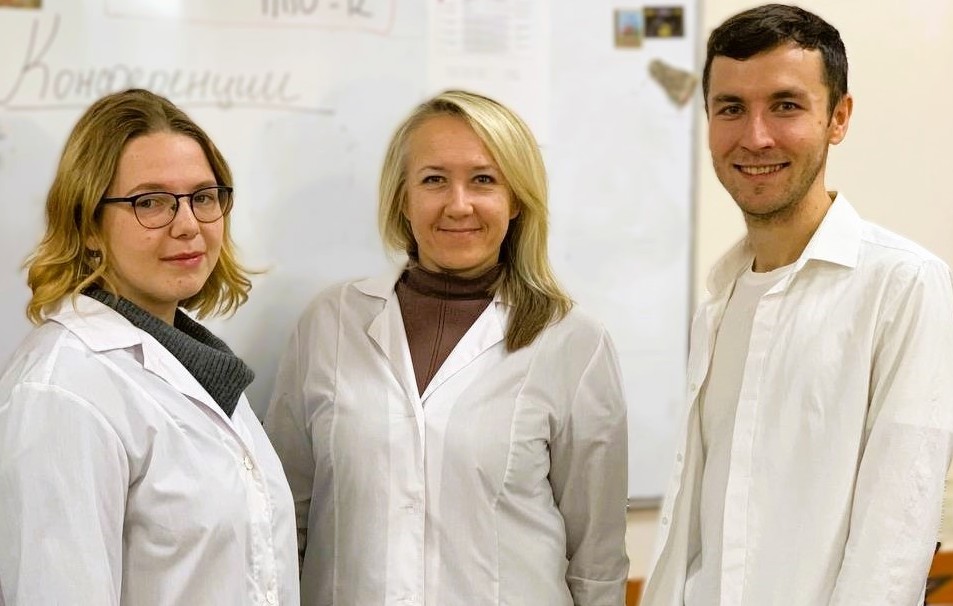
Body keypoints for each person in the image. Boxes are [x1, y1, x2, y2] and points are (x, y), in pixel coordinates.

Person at [264, 89, 630, 605]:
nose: (459, 205)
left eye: (484, 180)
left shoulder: (573, 341)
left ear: (516, 200)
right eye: (434, 180)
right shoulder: (331, 324)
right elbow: (284, 521)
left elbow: (597, 560)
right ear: (403, 199)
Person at [641, 5, 953, 606]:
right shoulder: (720, 302)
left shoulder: (903, 286)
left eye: (785, 106)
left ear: (839, 118)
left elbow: (893, 543)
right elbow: (693, 534)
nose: (755, 137)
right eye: (731, 108)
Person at [0, 89, 300, 605]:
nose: (188, 225)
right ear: (89, 226)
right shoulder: (63, 391)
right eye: (150, 202)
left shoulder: (202, 365)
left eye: (203, 197)